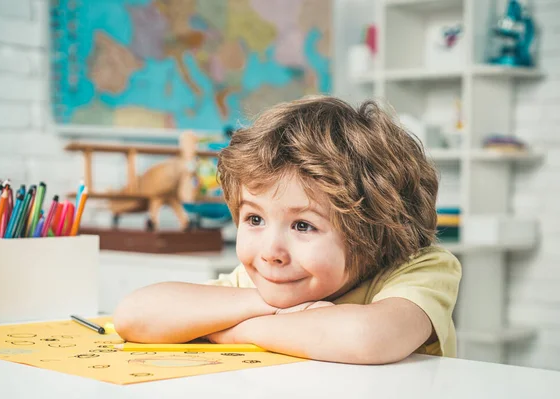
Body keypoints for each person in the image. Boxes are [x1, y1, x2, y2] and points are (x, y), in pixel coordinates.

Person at [114, 96, 462, 365]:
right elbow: (134, 315)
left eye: (303, 225)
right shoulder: (262, 284)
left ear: (375, 230)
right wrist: (263, 305)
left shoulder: (419, 269)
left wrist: (235, 330)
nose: (270, 251)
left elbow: (367, 337)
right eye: (254, 220)